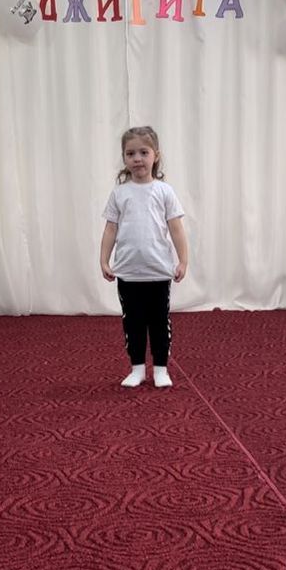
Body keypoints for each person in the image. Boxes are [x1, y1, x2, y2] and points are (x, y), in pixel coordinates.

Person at [99, 126, 189, 388]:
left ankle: (161, 369)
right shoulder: (119, 193)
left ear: (155, 155)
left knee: (159, 323)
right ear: (124, 158)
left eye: (143, 152)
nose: (137, 159)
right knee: (133, 323)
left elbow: (176, 229)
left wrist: (183, 261)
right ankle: (137, 368)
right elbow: (110, 229)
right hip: (128, 273)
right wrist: (104, 260)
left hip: (158, 271)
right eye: (130, 154)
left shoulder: (164, 191)